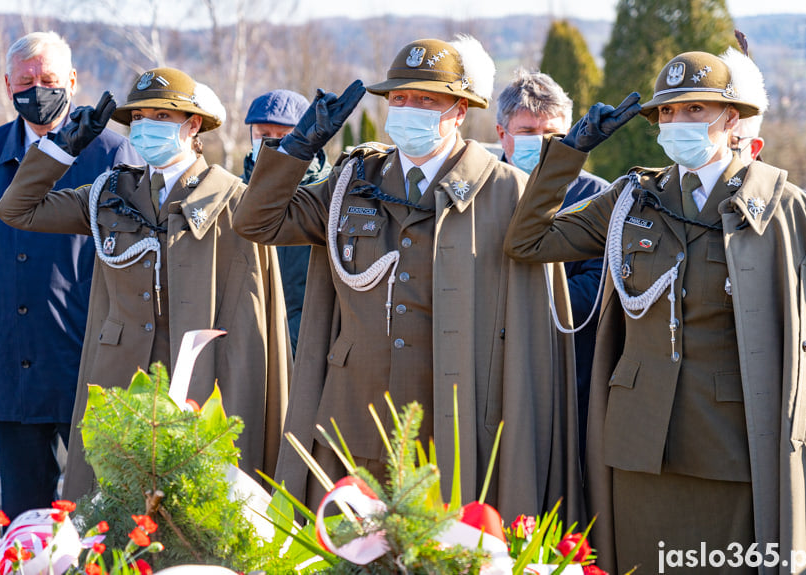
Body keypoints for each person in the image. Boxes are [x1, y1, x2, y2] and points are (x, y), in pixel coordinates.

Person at [505, 51, 806, 574]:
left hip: (731, 441)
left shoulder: (779, 205)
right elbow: (528, 240)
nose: (679, 123)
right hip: (638, 442)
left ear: (731, 121)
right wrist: (570, 152)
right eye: (670, 113)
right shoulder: (632, 199)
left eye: (696, 110)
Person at [234, 36, 581, 522]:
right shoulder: (353, 180)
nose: (409, 109)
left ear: (460, 111)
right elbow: (257, 223)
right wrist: (298, 147)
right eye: (399, 99)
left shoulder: (505, 192)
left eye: (426, 100)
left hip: (454, 418)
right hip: (351, 416)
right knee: (346, 551)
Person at [0, 67, 292, 502]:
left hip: (205, 387)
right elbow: (17, 210)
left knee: (198, 517)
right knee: (115, 517)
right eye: (139, 118)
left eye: (162, 116)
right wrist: (61, 149)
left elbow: (254, 319)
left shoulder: (232, 200)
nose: (146, 127)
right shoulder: (110, 194)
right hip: (120, 384)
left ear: (193, 126)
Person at [0, 31, 139, 520]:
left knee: (103, 516)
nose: (37, 89)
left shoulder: (112, 155)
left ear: (73, 81)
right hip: (8, 364)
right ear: (6, 85)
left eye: (48, 79)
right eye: (25, 81)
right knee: (24, 517)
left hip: (87, 365)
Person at [495, 68, 606, 463]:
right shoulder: (478, 188)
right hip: (488, 360)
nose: (541, 143)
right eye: (527, 132)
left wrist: (517, 302)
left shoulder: (596, 196)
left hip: (562, 364)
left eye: (553, 134)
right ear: (500, 133)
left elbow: (596, 284)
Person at [241, 89, 332, 354]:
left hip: (309, 343)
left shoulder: (329, 193)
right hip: (248, 340)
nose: (272, 143)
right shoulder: (234, 192)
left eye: (283, 135)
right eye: (263, 135)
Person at [719, 47, 806, 238]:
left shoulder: (805, 212)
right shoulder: (661, 202)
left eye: (731, 144)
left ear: (754, 149)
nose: (716, 155)